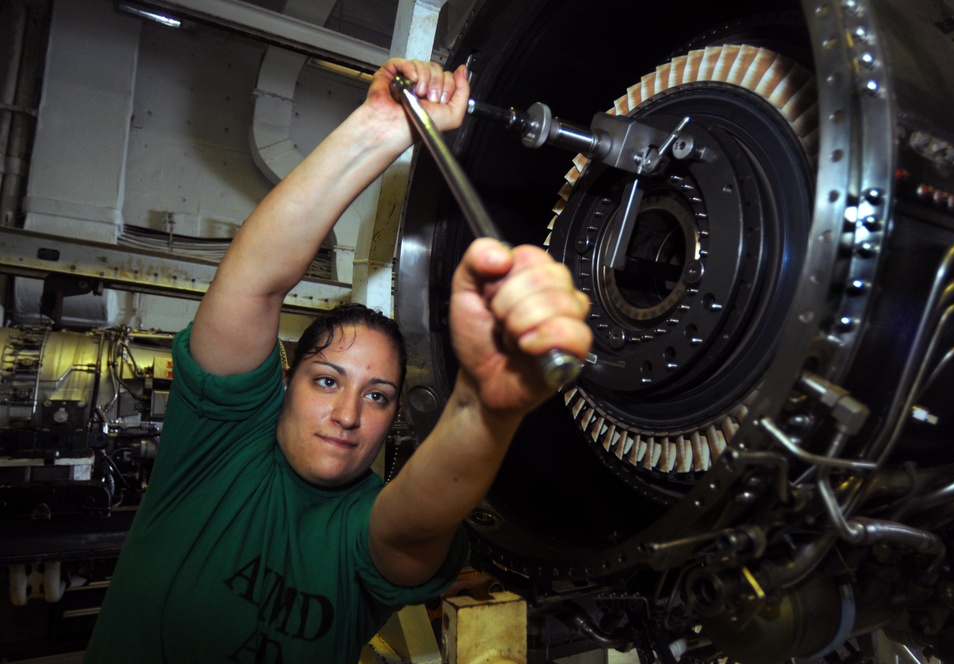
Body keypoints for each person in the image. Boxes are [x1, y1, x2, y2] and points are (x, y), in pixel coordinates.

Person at [83, 58, 592, 663]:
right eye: (327, 380)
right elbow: (254, 282)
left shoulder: (360, 531)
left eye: (377, 395)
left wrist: (485, 406)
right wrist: (379, 127)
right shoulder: (215, 452)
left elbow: (411, 526)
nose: (349, 414)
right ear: (286, 384)